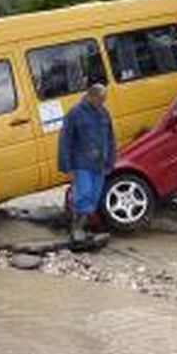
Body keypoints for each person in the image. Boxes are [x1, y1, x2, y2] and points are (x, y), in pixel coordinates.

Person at [58, 83, 116, 244]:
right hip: (81, 163)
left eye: (104, 99)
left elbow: (110, 139)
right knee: (83, 195)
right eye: (100, 99)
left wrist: (110, 161)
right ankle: (77, 230)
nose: (102, 102)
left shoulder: (104, 113)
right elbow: (65, 141)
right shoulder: (75, 114)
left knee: (94, 197)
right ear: (91, 96)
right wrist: (66, 166)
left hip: (100, 164)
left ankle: (82, 228)